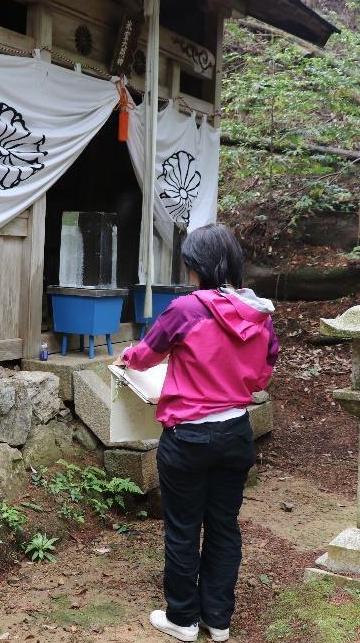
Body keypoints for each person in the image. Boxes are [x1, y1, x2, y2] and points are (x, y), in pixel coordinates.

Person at [115, 223, 278, 642]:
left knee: (183, 528)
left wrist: (127, 356)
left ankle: (183, 619)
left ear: (198, 266)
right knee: (224, 525)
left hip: (188, 438)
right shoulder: (259, 312)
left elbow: (146, 355)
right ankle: (218, 620)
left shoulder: (186, 309)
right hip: (236, 432)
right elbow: (262, 376)